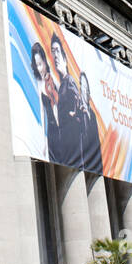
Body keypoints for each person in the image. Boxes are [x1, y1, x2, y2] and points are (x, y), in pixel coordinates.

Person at [49, 34, 82, 168]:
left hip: (72, 144)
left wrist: (73, 114)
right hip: (65, 143)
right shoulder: (62, 84)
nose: (55, 55)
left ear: (64, 56)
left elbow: (77, 108)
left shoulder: (69, 82)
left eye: (57, 51)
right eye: (52, 52)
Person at [30, 43, 59, 156]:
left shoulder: (53, 79)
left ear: (45, 62)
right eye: (37, 65)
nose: (40, 68)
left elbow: (58, 104)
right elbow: (42, 113)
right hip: (51, 131)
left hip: (61, 126)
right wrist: (43, 140)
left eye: (41, 64)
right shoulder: (39, 84)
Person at [77, 73, 104, 174]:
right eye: (82, 87)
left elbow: (96, 141)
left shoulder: (92, 115)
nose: (84, 91)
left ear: (89, 92)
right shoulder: (78, 110)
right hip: (82, 160)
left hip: (94, 162)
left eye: (85, 88)